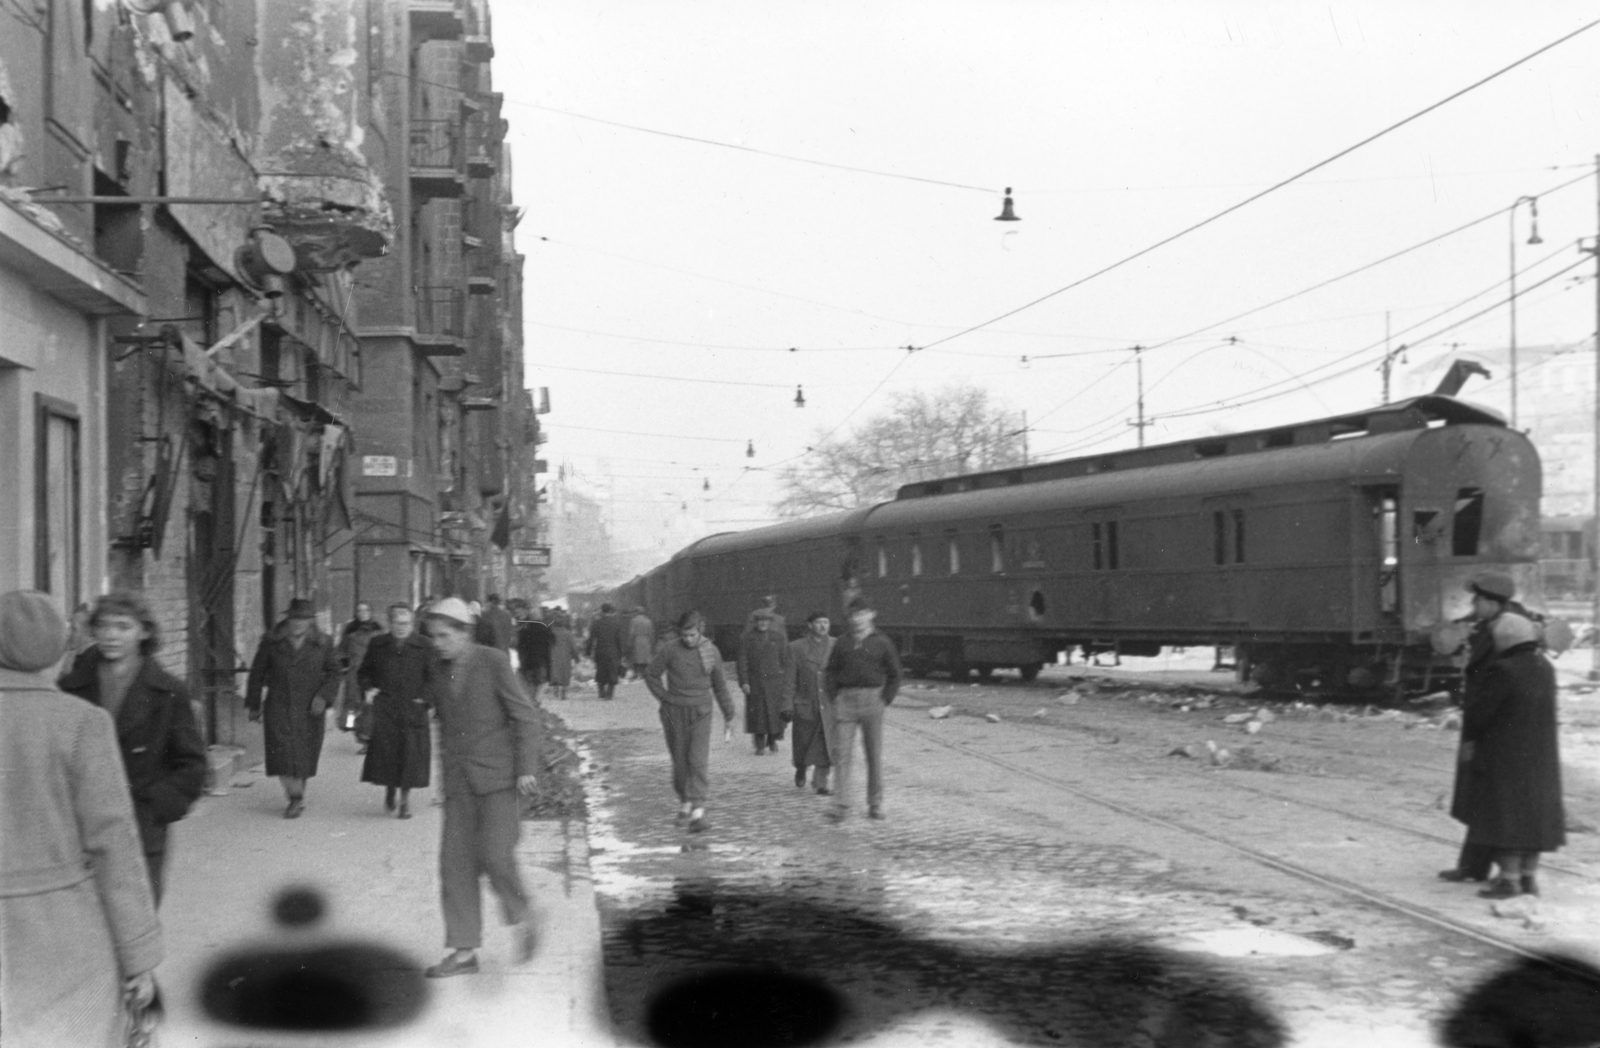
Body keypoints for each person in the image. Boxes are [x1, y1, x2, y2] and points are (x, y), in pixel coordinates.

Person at [0, 589, 163, 1047]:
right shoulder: (80, 723)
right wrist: (139, 959)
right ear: (59, 645)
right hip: (63, 933)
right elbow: (114, 845)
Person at [57, 592, 207, 904]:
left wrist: (155, 808)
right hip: (79, 830)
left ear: (144, 632)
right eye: (104, 626)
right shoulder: (70, 689)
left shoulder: (168, 693)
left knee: (137, 919)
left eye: (123, 627)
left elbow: (193, 766)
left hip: (140, 827)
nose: (111, 636)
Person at [420, 598, 540, 978]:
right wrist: (443, 780)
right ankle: (463, 951)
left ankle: (524, 915)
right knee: (454, 864)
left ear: (464, 634)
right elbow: (445, 727)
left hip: (499, 780)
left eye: (444, 636)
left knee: (495, 855)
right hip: (459, 784)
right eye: (432, 636)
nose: (437, 643)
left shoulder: (494, 662)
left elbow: (525, 716)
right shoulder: (438, 669)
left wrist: (526, 769)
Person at [1453, 611, 1566, 899]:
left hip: (1505, 755)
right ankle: (1528, 879)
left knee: (1506, 816)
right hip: (1541, 754)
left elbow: (1480, 715)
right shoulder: (1545, 666)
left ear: (1504, 639)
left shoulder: (1503, 669)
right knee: (1532, 816)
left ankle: (1509, 880)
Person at [1440, 572, 1542, 884]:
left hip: (1495, 728)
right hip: (1486, 723)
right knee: (1482, 795)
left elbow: (1498, 683)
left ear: (1491, 602)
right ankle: (1476, 865)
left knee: (1492, 797)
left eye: (1478, 600)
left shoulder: (1505, 631)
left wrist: (1475, 726)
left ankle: (1500, 871)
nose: (1473, 604)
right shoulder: (1490, 626)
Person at [245, 598, 342, 818]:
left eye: (304, 619)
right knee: (282, 756)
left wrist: (324, 696)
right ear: (287, 619)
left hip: (310, 708)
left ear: (311, 621)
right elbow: (257, 673)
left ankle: (297, 796)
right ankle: (295, 797)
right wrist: (253, 704)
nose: (298, 623)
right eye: (294, 619)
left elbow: (335, 673)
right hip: (278, 705)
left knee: (303, 755)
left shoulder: (323, 643)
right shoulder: (271, 641)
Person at [644, 610, 736, 833]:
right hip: (674, 713)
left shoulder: (711, 651)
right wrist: (664, 697)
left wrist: (729, 714)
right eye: (684, 635)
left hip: (701, 711)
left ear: (700, 630)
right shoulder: (669, 650)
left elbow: (720, 685)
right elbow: (651, 674)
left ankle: (698, 812)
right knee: (680, 761)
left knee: (697, 759)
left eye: (692, 635)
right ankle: (685, 802)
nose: (688, 640)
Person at [823, 596, 902, 822]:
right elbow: (830, 672)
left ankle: (875, 804)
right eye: (853, 616)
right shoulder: (842, 642)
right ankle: (840, 804)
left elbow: (895, 674)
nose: (857, 619)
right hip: (845, 702)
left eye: (861, 614)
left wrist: (884, 699)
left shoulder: (882, 642)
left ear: (871, 615)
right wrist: (834, 697)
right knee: (842, 754)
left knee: (873, 754)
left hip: (872, 701)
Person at [359, 604, 434, 819]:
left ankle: (405, 801)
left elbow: (434, 677)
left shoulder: (424, 645)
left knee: (410, 755)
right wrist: (368, 689)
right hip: (386, 708)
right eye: (397, 623)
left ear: (413, 624)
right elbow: (364, 672)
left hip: (413, 708)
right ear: (389, 623)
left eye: (406, 623)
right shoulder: (377, 644)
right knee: (388, 754)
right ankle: (390, 789)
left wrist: (425, 699)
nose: (402, 627)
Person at [787, 611, 836, 794]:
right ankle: (801, 767)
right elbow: (789, 680)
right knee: (804, 744)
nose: (823, 626)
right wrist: (787, 705)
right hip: (806, 703)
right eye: (818, 622)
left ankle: (821, 783)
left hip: (828, 704)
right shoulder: (796, 648)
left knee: (826, 745)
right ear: (810, 625)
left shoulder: (835, 645)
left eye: (826, 622)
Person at [737, 607, 792, 755]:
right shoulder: (746, 638)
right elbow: (742, 661)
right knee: (758, 714)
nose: (762, 623)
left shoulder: (778, 638)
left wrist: (785, 679)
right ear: (755, 622)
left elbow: (785, 660)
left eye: (765, 620)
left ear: (770, 622)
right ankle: (760, 744)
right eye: (759, 621)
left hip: (775, 682)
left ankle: (773, 740)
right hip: (756, 681)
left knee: (774, 714)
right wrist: (744, 682)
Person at [339, 602, 386, 747]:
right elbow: (341, 651)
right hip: (354, 673)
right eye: (359, 610)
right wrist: (344, 667)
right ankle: (356, 732)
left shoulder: (378, 631)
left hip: (372, 673)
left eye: (366, 610)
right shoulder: (349, 631)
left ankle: (367, 739)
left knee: (369, 705)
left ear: (371, 612)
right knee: (354, 705)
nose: (363, 613)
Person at [586, 602, 627, 699]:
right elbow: (619, 640)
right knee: (612, 671)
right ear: (611, 611)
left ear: (601, 611)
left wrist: (588, 652)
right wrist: (622, 653)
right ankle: (610, 693)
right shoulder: (616, 624)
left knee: (601, 670)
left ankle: (601, 692)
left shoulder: (596, 623)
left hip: (600, 650)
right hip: (613, 651)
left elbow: (591, 639)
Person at [516, 610, 553, 698]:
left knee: (529, 684)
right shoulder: (546, 629)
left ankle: (532, 702)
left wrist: (521, 661)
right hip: (542, 662)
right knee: (540, 684)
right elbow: (550, 646)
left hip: (527, 663)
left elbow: (519, 648)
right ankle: (536, 702)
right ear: (540, 617)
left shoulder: (524, 630)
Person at [547, 611, 580, 701]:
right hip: (565, 657)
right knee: (565, 674)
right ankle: (563, 692)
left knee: (554, 673)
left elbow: (546, 646)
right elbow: (573, 646)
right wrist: (576, 658)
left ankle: (555, 690)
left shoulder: (550, 633)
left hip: (553, 657)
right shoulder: (568, 634)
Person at [628, 607, 655, 680]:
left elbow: (632, 632)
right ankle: (644, 673)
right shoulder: (648, 621)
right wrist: (652, 642)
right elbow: (651, 633)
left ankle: (636, 673)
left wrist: (630, 642)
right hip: (646, 640)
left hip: (637, 640)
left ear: (636, 612)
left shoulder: (633, 620)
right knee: (645, 658)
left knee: (636, 657)